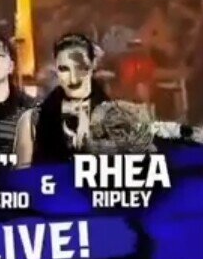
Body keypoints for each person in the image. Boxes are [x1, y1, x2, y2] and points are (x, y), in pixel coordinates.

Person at [15, 33, 156, 166]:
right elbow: (23, 179)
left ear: (93, 65)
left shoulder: (121, 119)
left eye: (81, 68)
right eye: (64, 69)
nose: (73, 79)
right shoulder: (32, 121)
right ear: (55, 68)